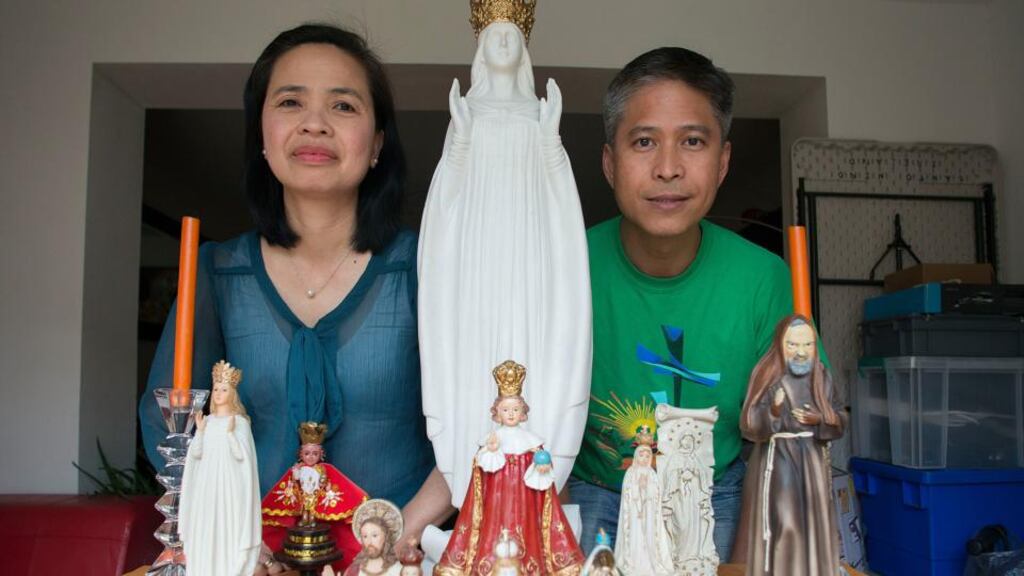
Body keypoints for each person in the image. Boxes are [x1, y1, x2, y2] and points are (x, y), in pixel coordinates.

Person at [139, 23, 452, 575]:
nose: (315, 123)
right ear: (261, 134)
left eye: (344, 105)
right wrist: (235, 540)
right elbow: (172, 431)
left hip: (400, 560)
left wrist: (397, 543)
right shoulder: (218, 272)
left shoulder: (428, 268)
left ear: (378, 142)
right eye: (290, 101)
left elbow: (474, 428)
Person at [568, 46, 795, 563]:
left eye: (692, 141)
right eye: (644, 141)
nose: (668, 168)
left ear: (722, 162)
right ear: (609, 162)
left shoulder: (762, 278)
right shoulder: (565, 266)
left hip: (725, 493)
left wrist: (739, 562)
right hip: (596, 490)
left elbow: (781, 437)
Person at [417, 0, 591, 507]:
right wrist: (462, 137)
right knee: (473, 346)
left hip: (529, 253)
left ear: (523, 51)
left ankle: (531, 482)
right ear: (479, 47)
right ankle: (477, 475)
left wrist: (552, 138)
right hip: (476, 257)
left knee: (531, 335)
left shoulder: (538, 113)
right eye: (493, 34)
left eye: (511, 36)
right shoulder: (465, 112)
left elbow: (558, 191)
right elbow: (448, 188)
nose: (502, 42)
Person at [434, 361, 585, 575]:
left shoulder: (531, 441)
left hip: (525, 502)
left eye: (516, 409)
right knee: (493, 531)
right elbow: (481, 473)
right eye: (506, 410)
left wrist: (541, 468)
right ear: (497, 413)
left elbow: (542, 468)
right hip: (497, 502)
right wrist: (491, 452)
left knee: (528, 530)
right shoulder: (491, 440)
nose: (511, 414)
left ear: (523, 412)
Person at [738, 315, 844, 576]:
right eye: (793, 345)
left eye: (807, 345)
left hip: (812, 461)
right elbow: (749, 423)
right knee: (785, 521)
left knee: (812, 521)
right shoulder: (767, 374)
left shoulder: (822, 376)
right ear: (780, 344)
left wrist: (821, 419)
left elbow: (841, 417)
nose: (800, 352)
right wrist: (773, 409)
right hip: (779, 461)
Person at [179, 360, 261, 576]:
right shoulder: (206, 421)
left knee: (227, 529)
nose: (218, 393)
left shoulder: (239, 422)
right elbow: (196, 455)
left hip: (229, 488)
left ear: (232, 393)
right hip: (207, 487)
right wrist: (202, 432)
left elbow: (243, 458)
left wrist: (231, 434)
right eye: (216, 389)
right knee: (206, 528)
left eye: (223, 389)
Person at [262, 422, 368, 572]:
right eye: (307, 454)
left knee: (312, 513)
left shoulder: (323, 470)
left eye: (314, 454)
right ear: (301, 454)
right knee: (305, 512)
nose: (310, 457)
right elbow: (292, 484)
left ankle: (310, 522)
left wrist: (324, 485)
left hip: (315, 496)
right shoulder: (298, 469)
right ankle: (306, 522)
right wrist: (296, 474)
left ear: (321, 454)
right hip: (304, 496)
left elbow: (328, 482)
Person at [614, 442, 673, 576]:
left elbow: (656, 494)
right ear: (636, 456)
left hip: (649, 512)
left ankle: (650, 563)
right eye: (642, 455)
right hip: (634, 513)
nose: (645, 458)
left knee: (649, 536)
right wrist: (637, 487)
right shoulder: (630, 472)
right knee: (635, 536)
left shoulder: (652, 474)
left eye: (648, 456)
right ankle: (633, 563)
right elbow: (628, 494)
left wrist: (647, 488)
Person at [344, 499, 404, 576]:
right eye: (365, 536)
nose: (369, 541)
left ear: (386, 537)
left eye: (374, 535)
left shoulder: (397, 569)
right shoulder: (354, 570)